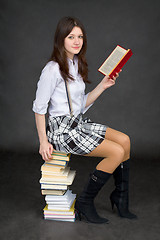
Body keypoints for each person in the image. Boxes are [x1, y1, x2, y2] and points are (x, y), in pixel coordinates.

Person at [32, 16, 137, 224]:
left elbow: (80, 105)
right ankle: (85, 202)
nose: (76, 41)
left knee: (125, 140)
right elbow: (39, 108)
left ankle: (120, 197)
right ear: (61, 39)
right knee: (116, 152)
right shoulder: (52, 69)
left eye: (80, 36)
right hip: (61, 130)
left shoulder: (76, 63)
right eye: (71, 37)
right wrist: (43, 141)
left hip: (77, 123)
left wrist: (103, 86)